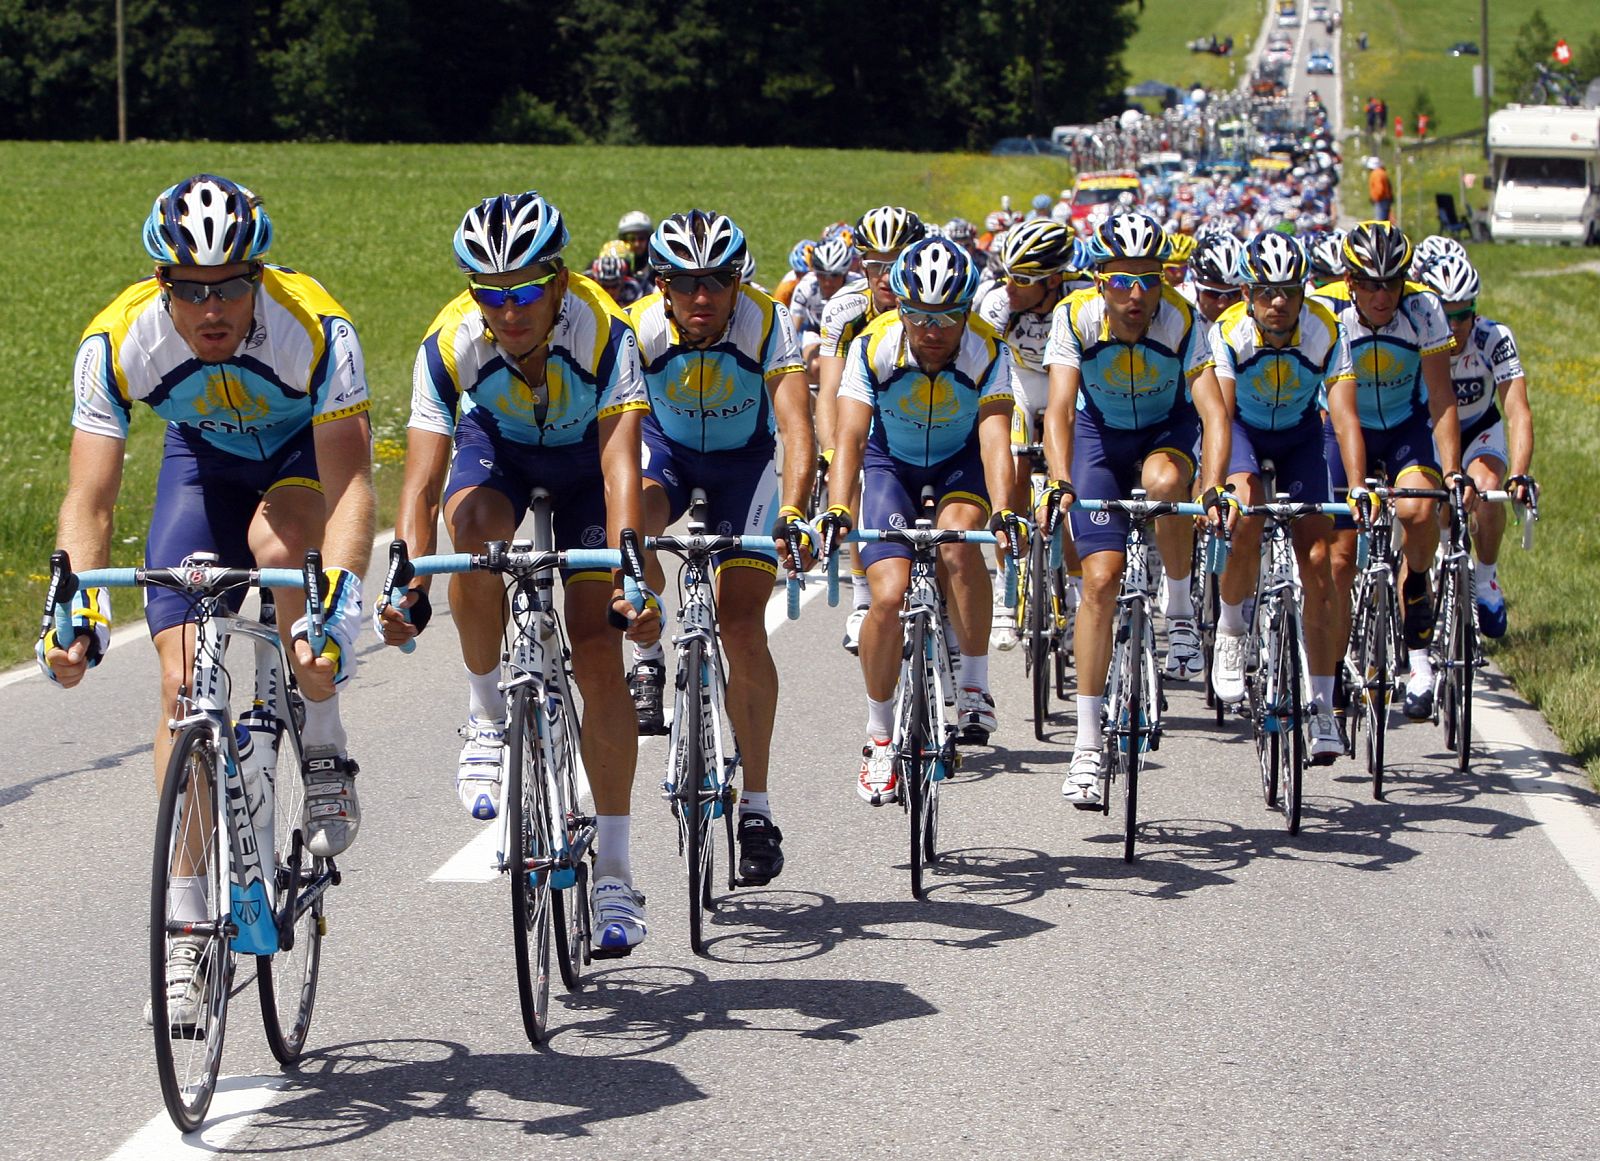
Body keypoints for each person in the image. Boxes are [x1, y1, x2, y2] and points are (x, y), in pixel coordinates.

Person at [43, 174, 374, 1018]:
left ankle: (325, 738)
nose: (211, 307)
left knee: (280, 555)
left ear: (257, 276)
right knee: (181, 684)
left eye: (228, 285)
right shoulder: (118, 341)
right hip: (202, 468)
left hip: (298, 467)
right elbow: (90, 499)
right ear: (163, 287)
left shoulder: (316, 332)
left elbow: (350, 488)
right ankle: (190, 934)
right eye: (191, 290)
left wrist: (334, 601)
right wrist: (73, 605)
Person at [381, 191, 659, 955]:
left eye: (527, 291)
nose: (509, 311)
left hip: (584, 469)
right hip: (498, 453)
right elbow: (419, 482)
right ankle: (484, 714)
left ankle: (614, 870)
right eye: (492, 295)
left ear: (560, 282)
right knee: (468, 537)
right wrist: (408, 581)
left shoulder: (605, 331)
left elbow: (621, 462)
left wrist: (632, 568)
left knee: (597, 645)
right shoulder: (448, 341)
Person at [626, 209, 814, 884]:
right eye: (685, 283)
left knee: (740, 623)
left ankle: (757, 807)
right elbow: (615, 433)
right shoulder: (638, 329)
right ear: (663, 284)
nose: (702, 297)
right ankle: (649, 655)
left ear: (738, 282)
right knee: (631, 519)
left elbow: (796, 423)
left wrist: (794, 510)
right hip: (667, 456)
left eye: (718, 281)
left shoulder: (768, 321)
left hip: (745, 469)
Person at [1041, 212, 1230, 804]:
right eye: (1123, 281)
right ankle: (1088, 747)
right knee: (1100, 579)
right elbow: (1061, 411)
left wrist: (1216, 485)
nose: (1138, 295)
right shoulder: (1072, 318)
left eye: (1149, 279)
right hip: (1100, 435)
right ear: (1100, 280)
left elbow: (1214, 413)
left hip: (1162, 433)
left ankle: (1177, 608)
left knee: (1165, 481)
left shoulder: (1182, 320)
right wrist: (1059, 479)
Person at [821, 236, 1017, 804]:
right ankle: (880, 736)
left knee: (958, 548)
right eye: (919, 316)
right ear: (900, 308)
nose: (933, 330)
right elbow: (851, 437)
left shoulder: (987, 349)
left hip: (961, 464)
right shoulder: (873, 346)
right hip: (891, 466)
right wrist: (838, 506)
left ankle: (975, 682)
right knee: (888, 595)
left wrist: (1004, 511)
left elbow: (996, 440)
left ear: (967, 311)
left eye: (948, 317)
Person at [1205, 233, 1364, 764]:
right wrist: (1218, 488)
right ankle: (1229, 629)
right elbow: (1221, 417)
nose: (1280, 303)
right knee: (1245, 508)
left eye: (1290, 292)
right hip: (1245, 431)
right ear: (1248, 294)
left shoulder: (1326, 330)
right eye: (1269, 292)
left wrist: (1357, 485)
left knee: (1318, 560)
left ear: (1303, 292)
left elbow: (1343, 414)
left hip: (1299, 435)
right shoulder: (1227, 331)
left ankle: (1320, 703)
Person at [1312, 220, 1469, 719]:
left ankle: (1417, 593)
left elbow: (1442, 398)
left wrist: (1454, 471)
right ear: (1350, 280)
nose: (1383, 295)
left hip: (1403, 427)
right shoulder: (1328, 310)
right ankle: (1332, 670)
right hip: (1339, 428)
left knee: (1421, 511)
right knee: (1339, 561)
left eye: (1392, 282)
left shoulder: (1424, 311)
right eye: (1370, 283)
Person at [815, 206, 928, 653]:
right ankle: (863, 596)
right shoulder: (845, 309)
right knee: (851, 463)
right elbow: (828, 391)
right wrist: (831, 452)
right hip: (869, 412)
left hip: (926, 416)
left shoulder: (937, 306)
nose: (886, 276)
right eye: (875, 263)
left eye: (897, 262)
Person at [1417, 254, 1535, 637]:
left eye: (1462, 316)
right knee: (1433, 505)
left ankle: (1485, 580)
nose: (1453, 329)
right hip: (1433, 430)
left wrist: (1519, 473)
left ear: (1475, 312)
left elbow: (1516, 410)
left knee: (1485, 490)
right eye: (1444, 316)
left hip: (1481, 427)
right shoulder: (1415, 337)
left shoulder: (1494, 339)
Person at [975, 218, 1080, 650]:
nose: (1009, 286)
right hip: (1019, 378)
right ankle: (1007, 587)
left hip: (1070, 377)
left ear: (1054, 280)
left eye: (1022, 278)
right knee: (1013, 464)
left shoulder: (1080, 298)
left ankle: (1075, 598)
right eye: (1005, 274)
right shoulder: (998, 304)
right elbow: (985, 369)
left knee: (1071, 481)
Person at [617, 210, 654, 278]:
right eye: (632, 239)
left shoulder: (656, 266)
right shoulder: (616, 263)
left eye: (641, 239)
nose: (637, 244)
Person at [1367, 158, 1393, 223]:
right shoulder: (1382, 172)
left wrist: (1375, 198)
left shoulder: (1376, 174)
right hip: (1385, 200)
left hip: (1381, 201)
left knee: (1380, 223)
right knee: (1384, 222)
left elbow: (1379, 189)